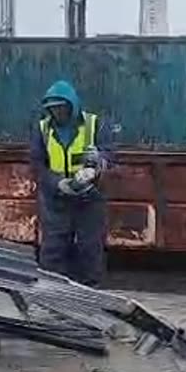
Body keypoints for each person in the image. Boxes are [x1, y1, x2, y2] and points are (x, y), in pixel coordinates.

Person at [30, 80, 114, 287]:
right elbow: (38, 164)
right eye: (53, 109)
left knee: (90, 249)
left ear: (72, 106)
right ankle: (52, 294)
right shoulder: (43, 130)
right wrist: (58, 183)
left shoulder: (94, 124)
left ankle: (90, 295)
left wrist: (99, 162)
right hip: (57, 200)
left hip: (89, 197)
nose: (58, 112)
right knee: (53, 250)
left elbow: (110, 152)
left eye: (61, 107)